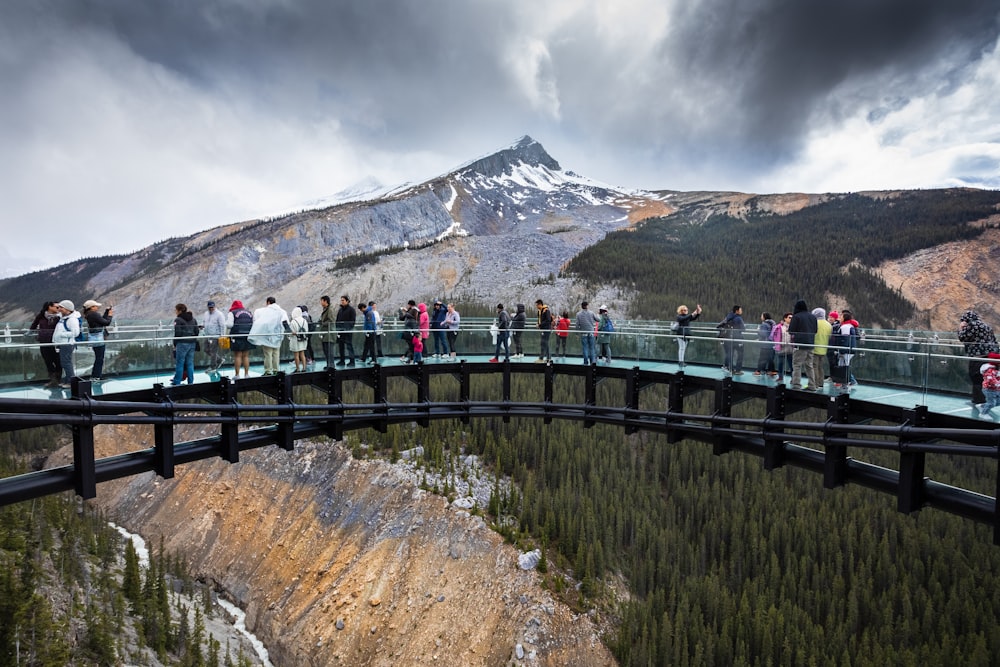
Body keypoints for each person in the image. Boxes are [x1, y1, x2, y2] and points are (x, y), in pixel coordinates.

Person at [958, 310, 999, 406]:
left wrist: (961, 328)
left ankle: (980, 402)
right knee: (986, 379)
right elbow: (994, 340)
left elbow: (962, 337)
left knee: (976, 378)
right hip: (990, 356)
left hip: (978, 356)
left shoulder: (972, 325)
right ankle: (980, 400)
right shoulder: (986, 326)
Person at [248, 296, 289, 375]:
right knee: (276, 354)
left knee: (268, 354)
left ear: (268, 302)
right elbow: (285, 322)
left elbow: (259, 322)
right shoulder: (282, 311)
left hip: (268, 337)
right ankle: (276, 370)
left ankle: (268, 371)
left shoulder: (264, 311)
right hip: (278, 336)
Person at [29, 301, 61, 387]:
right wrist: (30, 331)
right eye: (57, 307)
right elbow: (34, 324)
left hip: (55, 342)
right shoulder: (41, 316)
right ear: (49, 307)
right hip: (43, 341)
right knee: (48, 361)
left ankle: (58, 379)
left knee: (58, 361)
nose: (59, 309)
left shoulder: (59, 317)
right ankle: (53, 380)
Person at [788, 300, 818, 391]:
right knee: (809, 365)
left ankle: (796, 384)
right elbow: (815, 330)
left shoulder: (796, 317)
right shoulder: (813, 317)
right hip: (811, 343)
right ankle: (812, 385)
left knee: (797, 364)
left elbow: (791, 331)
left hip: (800, 344)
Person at [81, 299, 113, 381]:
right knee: (99, 357)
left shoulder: (89, 314)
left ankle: (97, 375)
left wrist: (106, 312)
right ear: (91, 307)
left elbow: (101, 321)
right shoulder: (93, 314)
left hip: (95, 337)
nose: (97, 307)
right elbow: (106, 322)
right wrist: (110, 315)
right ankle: (96, 376)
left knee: (98, 357)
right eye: (95, 306)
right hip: (98, 338)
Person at [53, 299, 81, 388]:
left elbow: (76, 332)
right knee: (65, 362)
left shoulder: (72, 320)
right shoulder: (64, 318)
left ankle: (70, 382)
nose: (59, 309)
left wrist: (61, 335)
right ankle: (67, 380)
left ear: (68, 309)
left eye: (61, 307)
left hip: (67, 344)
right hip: (63, 343)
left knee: (66, 363)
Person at [171, 304, 199, 386]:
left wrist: (175, 344)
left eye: (176, 310)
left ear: (179, 310)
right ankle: (190, 382)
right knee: (190, 363)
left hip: (182, 343)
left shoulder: (178, 320)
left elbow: (177, 333)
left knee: (180, 363)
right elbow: (196, 331)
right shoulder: (193, 319)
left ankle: (177, 382)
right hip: (192, 343)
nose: (175, 312)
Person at [226, 300, 255, 378]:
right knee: (246, 356)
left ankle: (237, 375)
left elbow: (229, 325)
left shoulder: (232, 313)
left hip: (237, 336)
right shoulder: (249, 313)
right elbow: (253, 323)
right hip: (248, 336)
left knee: (237, 356)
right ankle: (246, 374)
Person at [719, 305, 746, 375]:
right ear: (737, 311)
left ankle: (729, 368)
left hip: (728, 339)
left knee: (730, 353)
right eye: (740, 310)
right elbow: (743, 329)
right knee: (740, 354)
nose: (741, 311)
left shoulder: (729, 317)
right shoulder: (738, 318)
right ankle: (738, 370)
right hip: (737, 339)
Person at [200, 300, 226, 371]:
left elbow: (222, 325)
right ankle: (219, 360)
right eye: (209, 307)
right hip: (207, 335)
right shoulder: (206, 314)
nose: (211, 308)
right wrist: (202, 326)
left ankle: (212, 367)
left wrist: (222, 336)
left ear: (214, 306)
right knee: (206, 349)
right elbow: (204, 322)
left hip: (215, 336)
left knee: (213, 351)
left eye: (212, 307)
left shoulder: (219, 314)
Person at [675, 304, 702, 368]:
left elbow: (693, 318)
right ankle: (680, 362)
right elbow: (685, 318)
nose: (685, 311)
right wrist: (693, 313)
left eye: (686, 310)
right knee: (682, 348)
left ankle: (682, 361)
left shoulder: (686, 317)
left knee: (683, 348)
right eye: (683, 310)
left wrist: (698, 313)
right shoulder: (679, 317)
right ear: (680, 311)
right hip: (680, 334)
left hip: (686, 334)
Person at [812, 308, 831, 389]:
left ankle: (815, 384)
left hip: (814, 348)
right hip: (824, 348)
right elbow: (830, 337)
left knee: (814, 366)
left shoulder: (814, 323)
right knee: (820, 366)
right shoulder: (828, 325)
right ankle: (821, 383)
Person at [335, 295, 357, 366]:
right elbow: (337, 320)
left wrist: (347, 328)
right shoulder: (340, 310)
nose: (342, 301)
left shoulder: (351, 310)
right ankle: (342, 360)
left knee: (349, 346)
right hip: (341, 331)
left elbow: (352, 321)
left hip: (348, 332)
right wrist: (337, 328)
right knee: (341, 346)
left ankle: (352, 361)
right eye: (341, 300)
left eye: (343, 300)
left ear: (347, 301)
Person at [575, 301, 599, 365]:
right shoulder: (591, 313)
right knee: (592, 347)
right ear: (587, 306)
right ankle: (592, 362)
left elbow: (577, 324)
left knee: (585, 347)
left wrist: (577, 333)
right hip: (591, 332)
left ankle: (585, 362)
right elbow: (598, 319)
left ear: (582, 306)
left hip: (583, 333)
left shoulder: (578, 314)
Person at [977, 352, 1000, 419]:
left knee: (998, 402)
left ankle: (982, 406)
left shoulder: (997, 369)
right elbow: (991, 380)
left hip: (996, 389)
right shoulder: (989, 370)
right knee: (991, 403)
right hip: (989, 389)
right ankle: (983, 413)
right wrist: (998, 384)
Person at [771, 312, 793, 381]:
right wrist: (776, 343)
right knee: (780, 364)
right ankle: (780, 377)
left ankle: (793, 378)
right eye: (789, 318)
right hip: (781, 348)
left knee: (791, 364)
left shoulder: (793, 327)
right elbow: (773, 335)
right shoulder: (779, 327)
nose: (791, 319)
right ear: (785, 318)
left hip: (790, 348)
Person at [288, 306, 310, 372]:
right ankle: (304, 368)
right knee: (302, 354)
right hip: (303, 339)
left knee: (296, 355)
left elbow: (291, 332)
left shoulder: (293, 321)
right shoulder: (304, 320)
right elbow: (306, 330)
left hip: (295, 340)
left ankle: (297, 369)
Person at [753, 312, 775, 377]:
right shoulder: (773, 323)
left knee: (762, 358)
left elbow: (763, 334)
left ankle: (759, 371)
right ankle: (771, 371)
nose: (761, 317)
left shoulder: (764, 324)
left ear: (764, 317)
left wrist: (758, 330)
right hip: (772, 343)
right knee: (770, 358)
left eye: (761, 316)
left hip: (765, 344)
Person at [319, 296, 337, 368]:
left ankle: (331, 365)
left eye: (321, 301)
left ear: (325, 301)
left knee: (329, 351)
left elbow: (331, 320)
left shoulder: (330, 309)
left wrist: (323, 323)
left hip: (329, 333)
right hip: (326, 333)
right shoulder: (326, 309)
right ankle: (328, 364)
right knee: (326, 350)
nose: (321, 302)